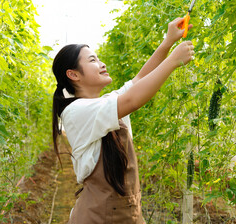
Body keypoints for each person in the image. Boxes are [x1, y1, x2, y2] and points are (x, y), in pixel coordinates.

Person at [51, 17, 194, 224]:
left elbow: (139, 80)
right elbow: (133, 99)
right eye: (93, 60)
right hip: (96, 218)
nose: (102, 64)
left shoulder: (106, 104)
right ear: (73, 74)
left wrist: (168, 42)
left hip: (128, 215)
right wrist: (173, 61)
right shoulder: (76, 112)